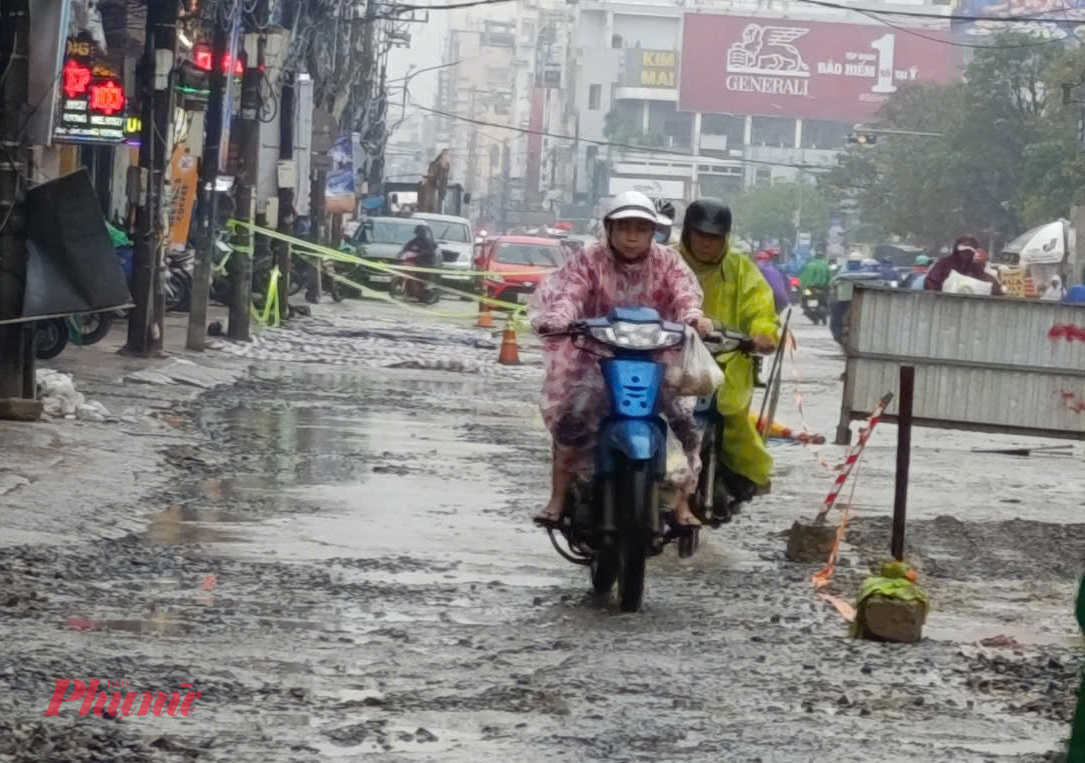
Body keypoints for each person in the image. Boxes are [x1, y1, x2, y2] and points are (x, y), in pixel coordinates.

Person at [530, 191, 712, 528]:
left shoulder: (668, 261)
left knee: (685, 421)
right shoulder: (589, 259)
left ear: (653, 232)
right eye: (624, 228)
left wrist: (694, 318)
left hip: (657, 357)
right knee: (574, 417)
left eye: (641, 229)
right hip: (595, 356)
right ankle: (557, 497)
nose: (632, 237)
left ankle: (683, 503)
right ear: (609, 229)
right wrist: (558, 317)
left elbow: (684, 293)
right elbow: (571, 293)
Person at [676, 198, 779, 504]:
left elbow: (760, 306)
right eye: (700, 235)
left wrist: (762, 335)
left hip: (727, 359)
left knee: (732, 413)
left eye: (714, 237)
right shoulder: (667, 261)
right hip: (672, 355)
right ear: (687, 233)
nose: (707, 243)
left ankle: (742, 476)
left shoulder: (741, 269)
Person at [924, 235, 1002, 295]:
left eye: (969, 252)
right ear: (957, 250)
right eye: (963, 251)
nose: (966, 255)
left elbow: (989, 288)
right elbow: (931, 282)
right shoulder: (945, 263)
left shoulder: (976, 267)